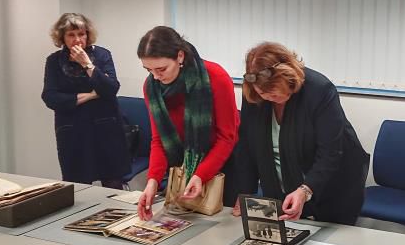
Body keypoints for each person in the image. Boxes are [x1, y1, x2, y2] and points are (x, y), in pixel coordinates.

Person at [233, 42, 370, 225]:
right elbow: (248, 148)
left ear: (287, 76)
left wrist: (305, 190)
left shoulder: (319, 90)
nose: (268, 98)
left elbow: (330, 153)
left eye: (274, 94)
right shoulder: (254, 93)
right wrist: (245, 193)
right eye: (263, 94)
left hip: (333, 184)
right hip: (283, 186)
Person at [136, 26, 239, 220]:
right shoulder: (152, 87)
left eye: (161, 69)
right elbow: (159, 140)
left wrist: (201, 175)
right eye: (149, 70)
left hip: (224, 167)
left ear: (180, 56)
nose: (156, 77)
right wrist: (152, 182)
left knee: (220, 230)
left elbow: (227, 137)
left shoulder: (215, 77)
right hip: (184, 168)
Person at [42, 13, 130, 189]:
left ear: (88, 35)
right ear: (62, 37)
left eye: (81, 34)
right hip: (73, 131)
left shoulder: (103, 55)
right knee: (78, 186)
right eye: (71, 35)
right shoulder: (54, 61)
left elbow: (111, 89)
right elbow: (50, 97)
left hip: (106, 129)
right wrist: (90, 95)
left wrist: (87, 64)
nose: (77, 40)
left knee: (113, 184)